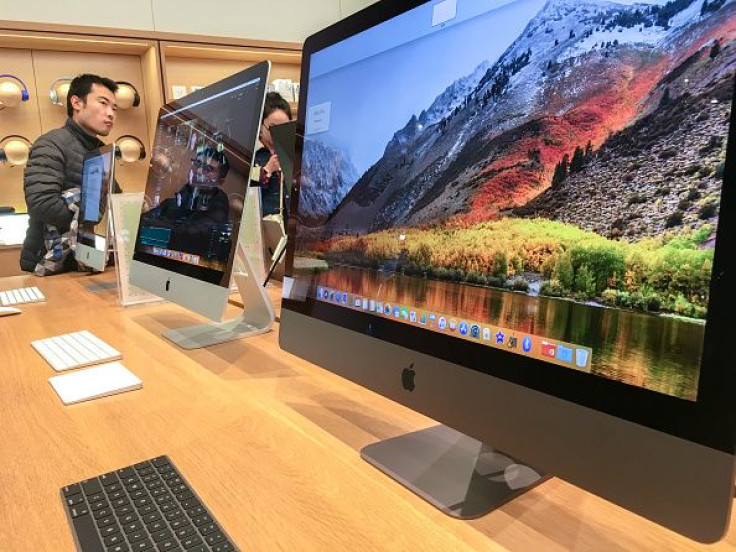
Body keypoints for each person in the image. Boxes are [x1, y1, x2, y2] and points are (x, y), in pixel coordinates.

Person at [20, 74, 119, 273]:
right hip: (49, 263)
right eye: (103, 103)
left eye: (114, 108)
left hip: (85, 260)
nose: (111, 114)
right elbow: (41, 203)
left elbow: (113, 201)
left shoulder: (101, 151)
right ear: (76, 102)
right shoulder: (50, 143)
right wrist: (89, 216)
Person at [143, 146, 231, 259]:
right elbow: (143, 221)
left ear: (220, 181)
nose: (198, 171)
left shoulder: (218, 209)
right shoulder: (177, 199)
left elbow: (185, 237)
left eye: (208, 169)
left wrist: (149, 232)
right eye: (197, 164)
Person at [251, 91, 292, 218]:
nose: (278, 132)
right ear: (261, 125)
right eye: (273, 127)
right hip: (261, 225)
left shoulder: (291, 152)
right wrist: (267, 170)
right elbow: (247, 193)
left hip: (287, 223)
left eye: (284, 127)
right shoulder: (251, 153)